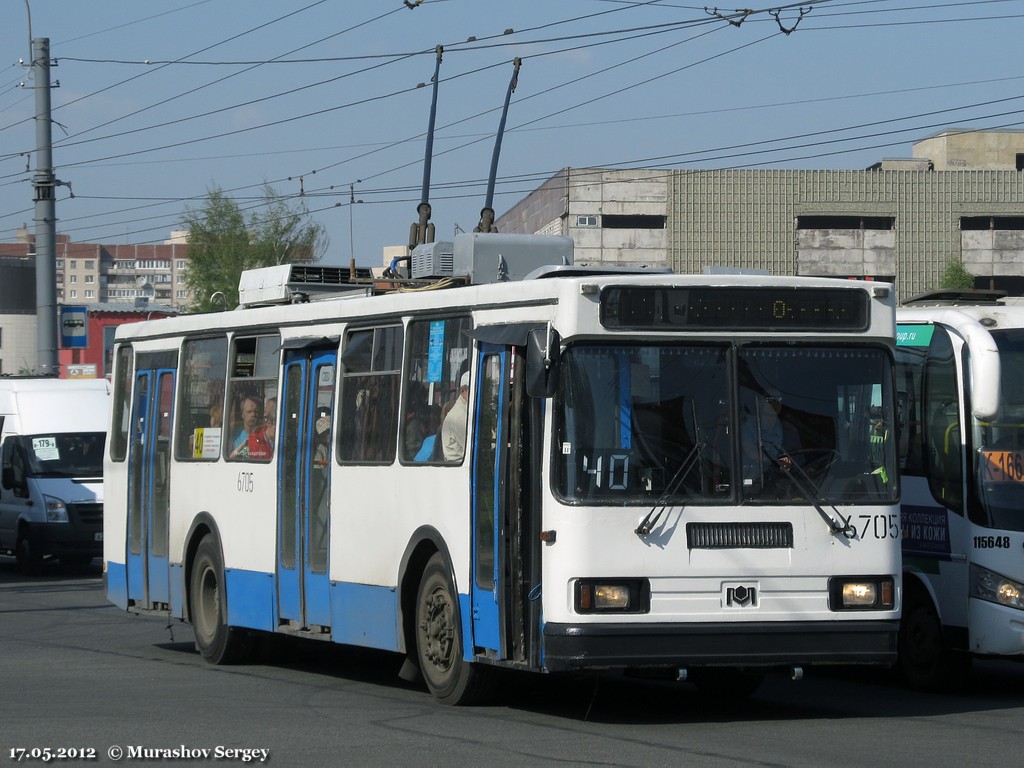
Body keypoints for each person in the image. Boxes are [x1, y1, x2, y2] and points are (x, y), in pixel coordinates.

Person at [440, 371, 470, 462]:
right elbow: (471, 446)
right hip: (458, 466)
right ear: (462, 391)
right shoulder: (458, 416)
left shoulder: (466, 410)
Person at [230, 393, 263, 458]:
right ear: (242, 414)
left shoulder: (264, 435)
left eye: (256, 411)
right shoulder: (234, 436)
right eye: (249, 411)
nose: (253, 414)